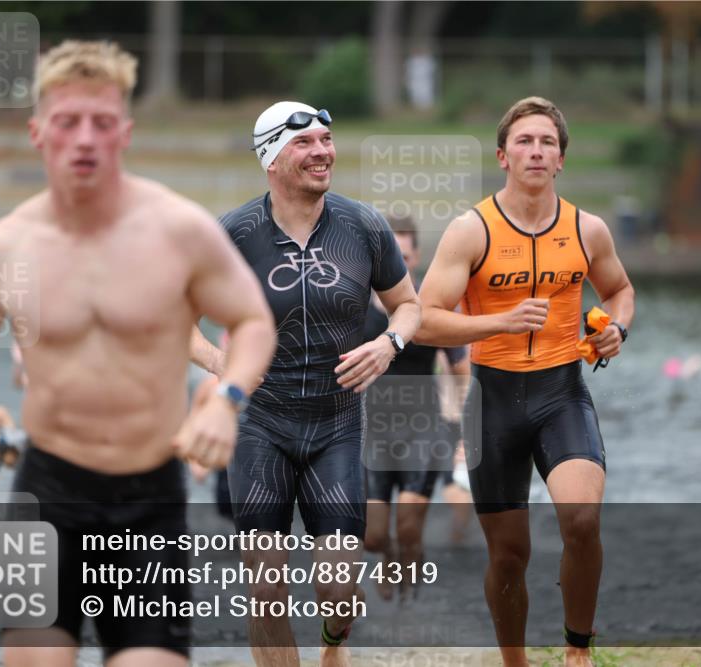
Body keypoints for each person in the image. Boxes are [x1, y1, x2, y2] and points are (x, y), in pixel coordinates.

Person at [0, 40, 276, 667]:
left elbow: (252, 321)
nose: (84, 138)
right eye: (67, 122)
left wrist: (226, 401)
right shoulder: (5, 248)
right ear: (38, 133)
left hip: (151, 497)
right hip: (48, 491)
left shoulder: (180, 231)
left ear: (126, 133)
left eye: (102, 122)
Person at [190, 100, 420, 667]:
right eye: (304, 143)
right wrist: (223, 365)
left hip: (336, 426)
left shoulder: (363, 225)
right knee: (266, 591)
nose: (322, 152)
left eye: (326, 140)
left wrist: (388, 345)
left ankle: (334, 644)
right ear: (271, 158)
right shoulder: (234, 234)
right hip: (260, 425)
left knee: (338, 590)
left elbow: (409, 307)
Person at [415, 96, 635, 667]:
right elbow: (424, 319)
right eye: (524, 142)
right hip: (493, 400)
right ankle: (514, 660)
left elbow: (619, 291)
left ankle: (576, 650)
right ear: (502, 157)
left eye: (547, 143)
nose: (536, 151)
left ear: (561, 159)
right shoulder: (471, 230)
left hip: (561, 395)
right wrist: (498, 321)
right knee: (510, 555)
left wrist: (616, 329)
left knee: (582, 519)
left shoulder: (588, 229)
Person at [360, 215, 469, 601]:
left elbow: (460, 369)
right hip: (371, 434)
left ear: (416, 258)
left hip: (423, 431)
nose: (398, 264)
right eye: (391, 256)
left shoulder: (429, 309)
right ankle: (388, 555)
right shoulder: (356, 308)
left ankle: (410, 600)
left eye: (404, 257)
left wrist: (458, 427)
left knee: (408, 526)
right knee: (372, 535)